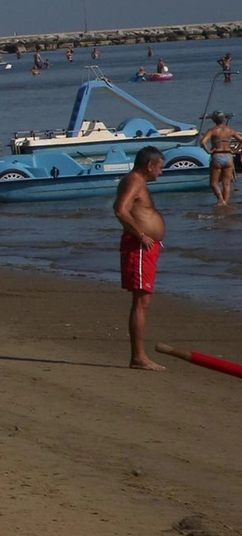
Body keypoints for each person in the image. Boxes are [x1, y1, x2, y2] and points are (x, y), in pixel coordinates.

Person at [113, 146, 166, 371]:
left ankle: (139, 356)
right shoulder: (134, 181)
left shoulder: (138, 182)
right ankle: (138, 357)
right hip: (139, 247)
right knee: (141, 302)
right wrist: (141, 234)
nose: (161, 173)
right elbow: (120, 210)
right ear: (150, 165)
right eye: (160, 168)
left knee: (143, 301)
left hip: (146, 247)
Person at [200, 111, 242, 205]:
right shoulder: (229, 130)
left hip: (217, 156)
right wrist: (235, 150)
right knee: (226, 183)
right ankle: (225, 204)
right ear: (224, 119)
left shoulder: (212, 130)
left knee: (214, 183)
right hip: (228, 156)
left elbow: (203, 142)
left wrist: (208, 151)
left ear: (214, 120)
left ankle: (220, 200)